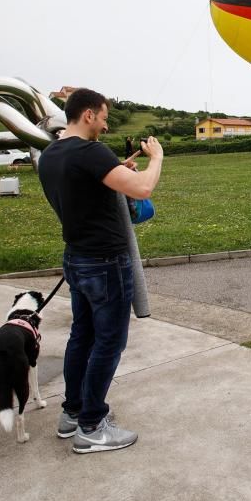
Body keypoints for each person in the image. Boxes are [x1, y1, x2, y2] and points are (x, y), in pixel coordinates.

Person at [38, 88, 163, 454]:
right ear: (88, 114)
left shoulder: (51, 155)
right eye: (104, 117)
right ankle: (92, 426)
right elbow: (142, 189)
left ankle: (73, 414)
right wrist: (157, 158)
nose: (106, 126)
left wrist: (113, 170)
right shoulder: (90, 152)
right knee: (109, 342)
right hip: (105, 262)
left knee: (83, 336)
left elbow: (83, 188)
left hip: (76, 257)